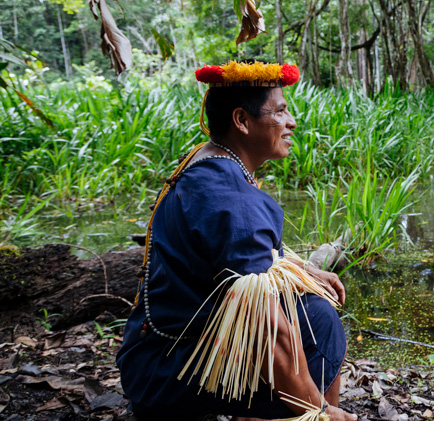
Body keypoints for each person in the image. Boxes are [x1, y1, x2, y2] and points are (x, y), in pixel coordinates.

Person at [117, 60, 356, 421]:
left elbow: (232, 266)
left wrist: (301, 270)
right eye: (279, 112)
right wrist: (320, 411)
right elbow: (265, 321)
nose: (291, 122)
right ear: (242, 121)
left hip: (150, 360)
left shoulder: (207, 159)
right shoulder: (231, 196)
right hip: (169, 373)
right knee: (319, 322)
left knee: (313, 300)